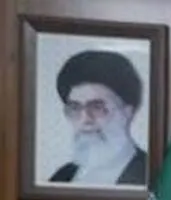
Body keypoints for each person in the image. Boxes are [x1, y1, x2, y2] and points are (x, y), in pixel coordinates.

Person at [48, 50, 147, 186]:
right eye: (75, 108)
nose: (85, 120)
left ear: (127, 112)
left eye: (97, 107)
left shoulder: (152, 175)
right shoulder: (63, 177)